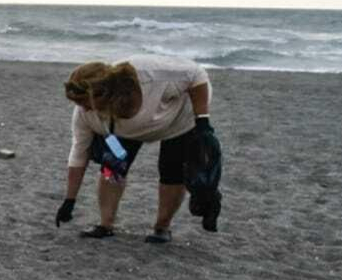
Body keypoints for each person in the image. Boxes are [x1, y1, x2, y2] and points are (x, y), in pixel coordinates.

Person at [54, 57, 223, 242]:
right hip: (121, 128)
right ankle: (105, 224)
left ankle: (162, 228)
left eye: (85, 103)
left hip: (179, 119)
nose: (83, 110)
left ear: (102, 94)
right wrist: (69, 200)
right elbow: (79, 152)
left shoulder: (152, 77)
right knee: (112, 168)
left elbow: (197, 75)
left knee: (171, 171)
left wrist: (203, 123)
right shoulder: (85, 115)